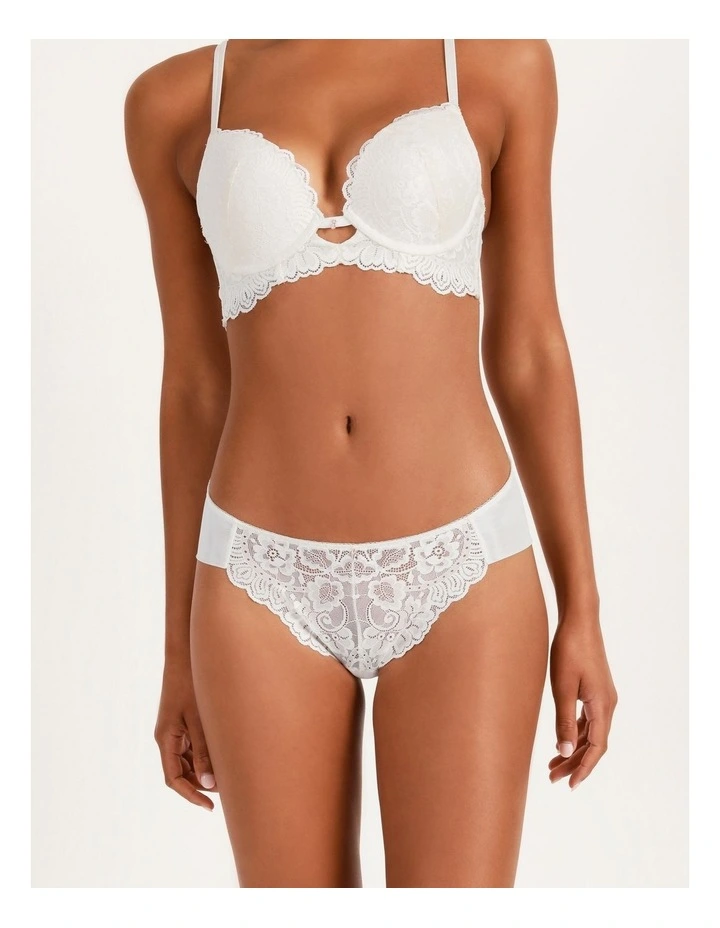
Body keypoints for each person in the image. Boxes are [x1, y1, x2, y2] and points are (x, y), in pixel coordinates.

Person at [124, 38, 617, 888]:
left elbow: (530, 348)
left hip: (463, 566)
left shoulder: (498, 64)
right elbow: (195, 387)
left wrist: (584, 606)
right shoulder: (172, 100)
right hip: (256, 579)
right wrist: (177, 651)